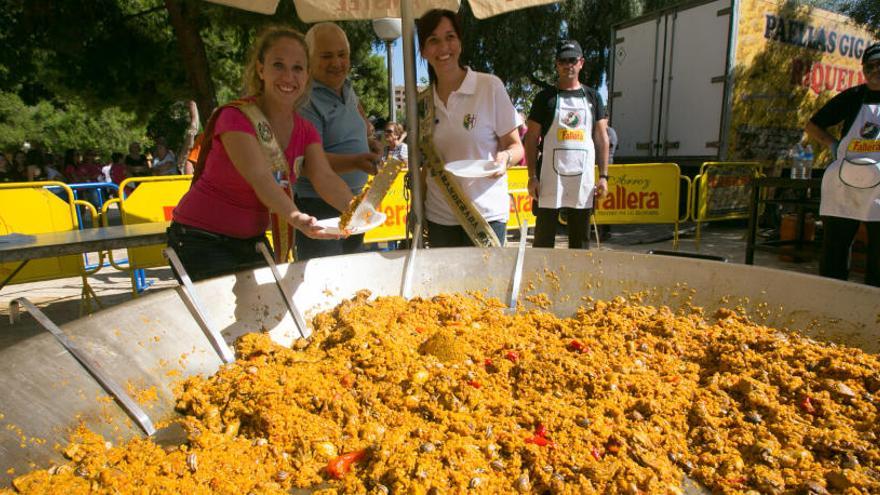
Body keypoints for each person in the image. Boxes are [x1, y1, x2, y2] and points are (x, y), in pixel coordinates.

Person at [169, 26, 353, 281]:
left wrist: (355, 210)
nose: (288, 76)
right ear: (260, 69)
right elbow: (260, 178)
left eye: (298, 68)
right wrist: (296, 217)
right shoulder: (236, 117)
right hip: (201, 238)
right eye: (279, 65)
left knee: (266, 311)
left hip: (251, 239)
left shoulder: (305, 129)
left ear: (307, 75)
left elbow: (324, 177)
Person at [416, 9, 524, 247]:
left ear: (460, 43)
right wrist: (417, 210)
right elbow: (426, 164)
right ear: (423, 51)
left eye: (450, 37)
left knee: (487, 285)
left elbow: (516, 147)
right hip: (439, 217)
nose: (443, 47)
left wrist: (505, 158)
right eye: (433, 40)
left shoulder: (489, 86)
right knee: (446, 286)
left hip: (485, 216)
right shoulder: (422, 104)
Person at [295, 23, 381, 261]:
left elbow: (361, 119)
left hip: (352, 201)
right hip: (319, 207)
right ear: (309, 59)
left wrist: (369, 140)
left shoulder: (347, 87)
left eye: (342, 55)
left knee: (350, 274)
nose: (337, 63)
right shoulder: (306, 99)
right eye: (326, 56)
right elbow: (311, 164)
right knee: (325, 281)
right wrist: (356, 161)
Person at [804, 42, 880, 287]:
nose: (876, 71)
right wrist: (833, 144)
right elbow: (813, 125)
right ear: (864, 70)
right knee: (835, 248)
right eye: (871, 66)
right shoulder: (853, 97)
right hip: (844, 185)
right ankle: (831, 298)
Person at [523, 39, 609, 250]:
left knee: (580, 244)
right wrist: (532, 176)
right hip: (549, 180)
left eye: (572, 60)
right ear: (556, 64)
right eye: (563, 60)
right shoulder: (545, 98)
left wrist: (604, 176)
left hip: (583, 179)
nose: (568, 65)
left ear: (581, 63)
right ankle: (539, 281)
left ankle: (579, 283)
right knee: (543, 242)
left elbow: (601, 137)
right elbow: (531, 139)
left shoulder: (594, 97)